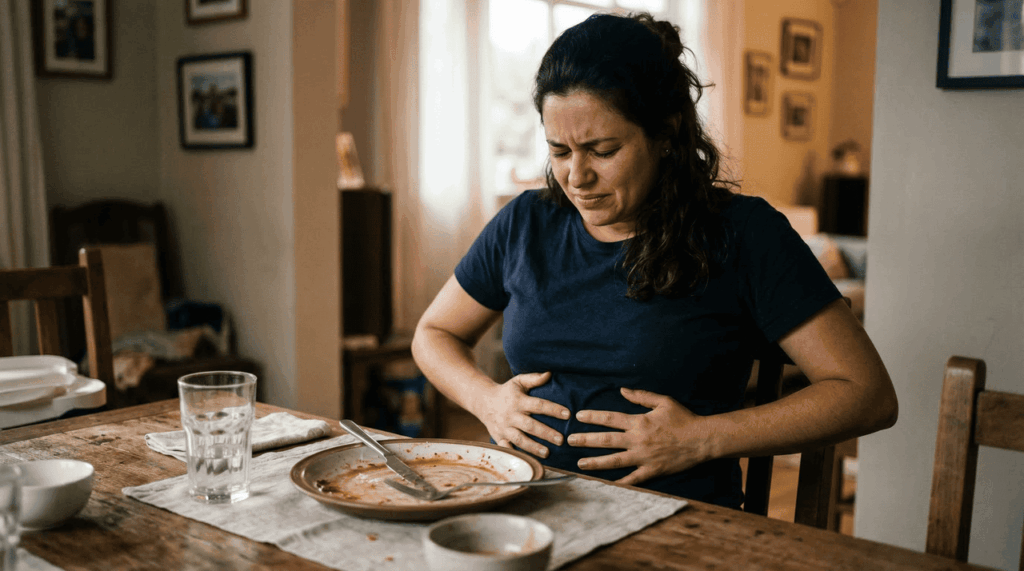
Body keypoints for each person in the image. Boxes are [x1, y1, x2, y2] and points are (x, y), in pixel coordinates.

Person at [411, 12, 897, 509]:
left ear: (665, 134)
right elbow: (434, 334)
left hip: (675, 519)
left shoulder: (743, 233)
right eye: (559, 150)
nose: (576, 176)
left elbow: (866, 393)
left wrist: (702, 438)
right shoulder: (524, 224)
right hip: (520, 506)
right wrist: (485, 401)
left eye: (602, 150)